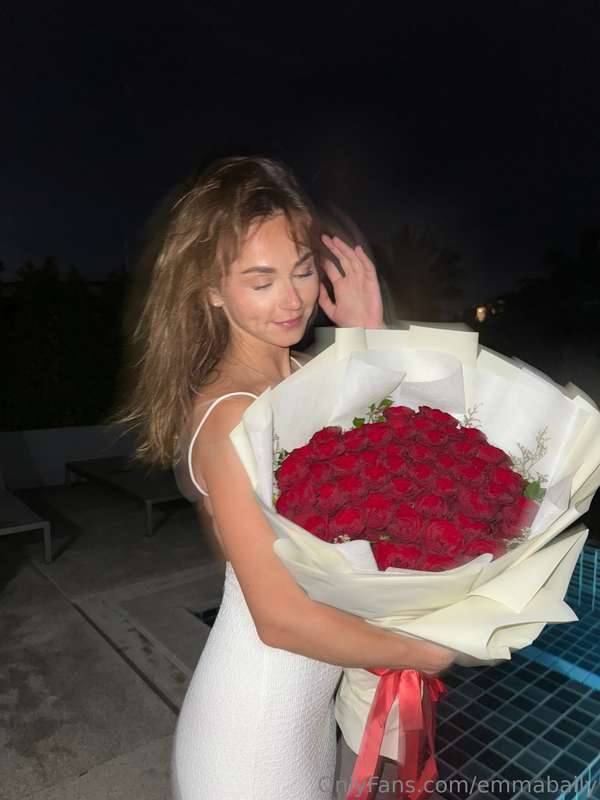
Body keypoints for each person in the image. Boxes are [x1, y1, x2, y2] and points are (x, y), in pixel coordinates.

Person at [110, 155, 456, 799]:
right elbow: (278, 618)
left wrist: (369, 332)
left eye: (301, 270)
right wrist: (422, 652)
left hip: (308, 717)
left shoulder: (305, 375)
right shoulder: (231, 416)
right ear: (212, 289)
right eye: (260, 280)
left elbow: (403, 469)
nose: (293, 299)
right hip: (251, 736)